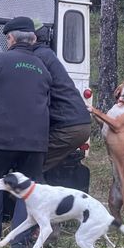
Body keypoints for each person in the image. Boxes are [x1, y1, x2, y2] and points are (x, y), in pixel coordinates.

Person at [0, 16, 52, 248]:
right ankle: (19, 246)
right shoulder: (43, 67)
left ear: (10, 38)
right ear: (33, 39)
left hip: (2, 138)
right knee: (27, 191)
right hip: (36, 141)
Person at [33, 24, 91, 174]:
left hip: (68, 127)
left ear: (32, 39)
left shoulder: (37, 59)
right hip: (78, 123)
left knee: (30, 168)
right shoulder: (46, 54)